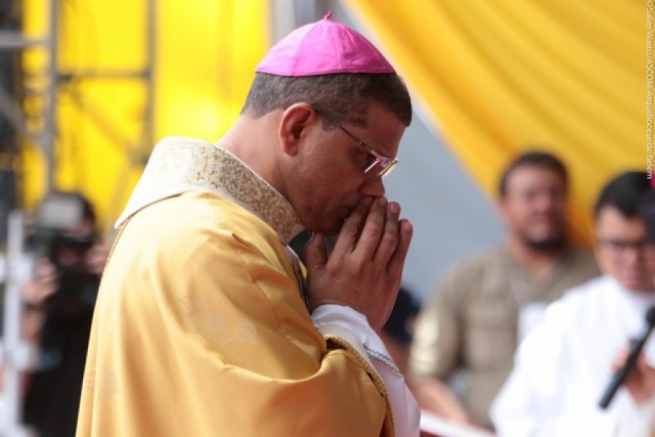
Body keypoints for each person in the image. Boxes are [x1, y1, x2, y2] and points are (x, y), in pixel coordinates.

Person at [76, 13, 420, 437]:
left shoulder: (194, 221)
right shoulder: (220, 242)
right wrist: (348, 318)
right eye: (367, 159)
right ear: (297, 128)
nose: (376, 192)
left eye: (384, 169)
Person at [408, 151, 600, 429]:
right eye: (530, 195)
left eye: (554, 193)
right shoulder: (466, 278)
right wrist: (465, 428)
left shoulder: (601, 275)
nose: (544, 205)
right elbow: (425, 377)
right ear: (503, 208)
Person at [490, 170, 655, 437]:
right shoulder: (569, 316)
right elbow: (516, 419)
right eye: (616, 244)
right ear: (596, 236)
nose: (632, 259)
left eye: (645, 244)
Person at [20, 191, 109, 437]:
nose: (69, 259)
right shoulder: (24, 307)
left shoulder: (110, 303)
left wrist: (116, 282)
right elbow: (6, 397)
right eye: (59, 246)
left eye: (79, 247)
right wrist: (33, 316)